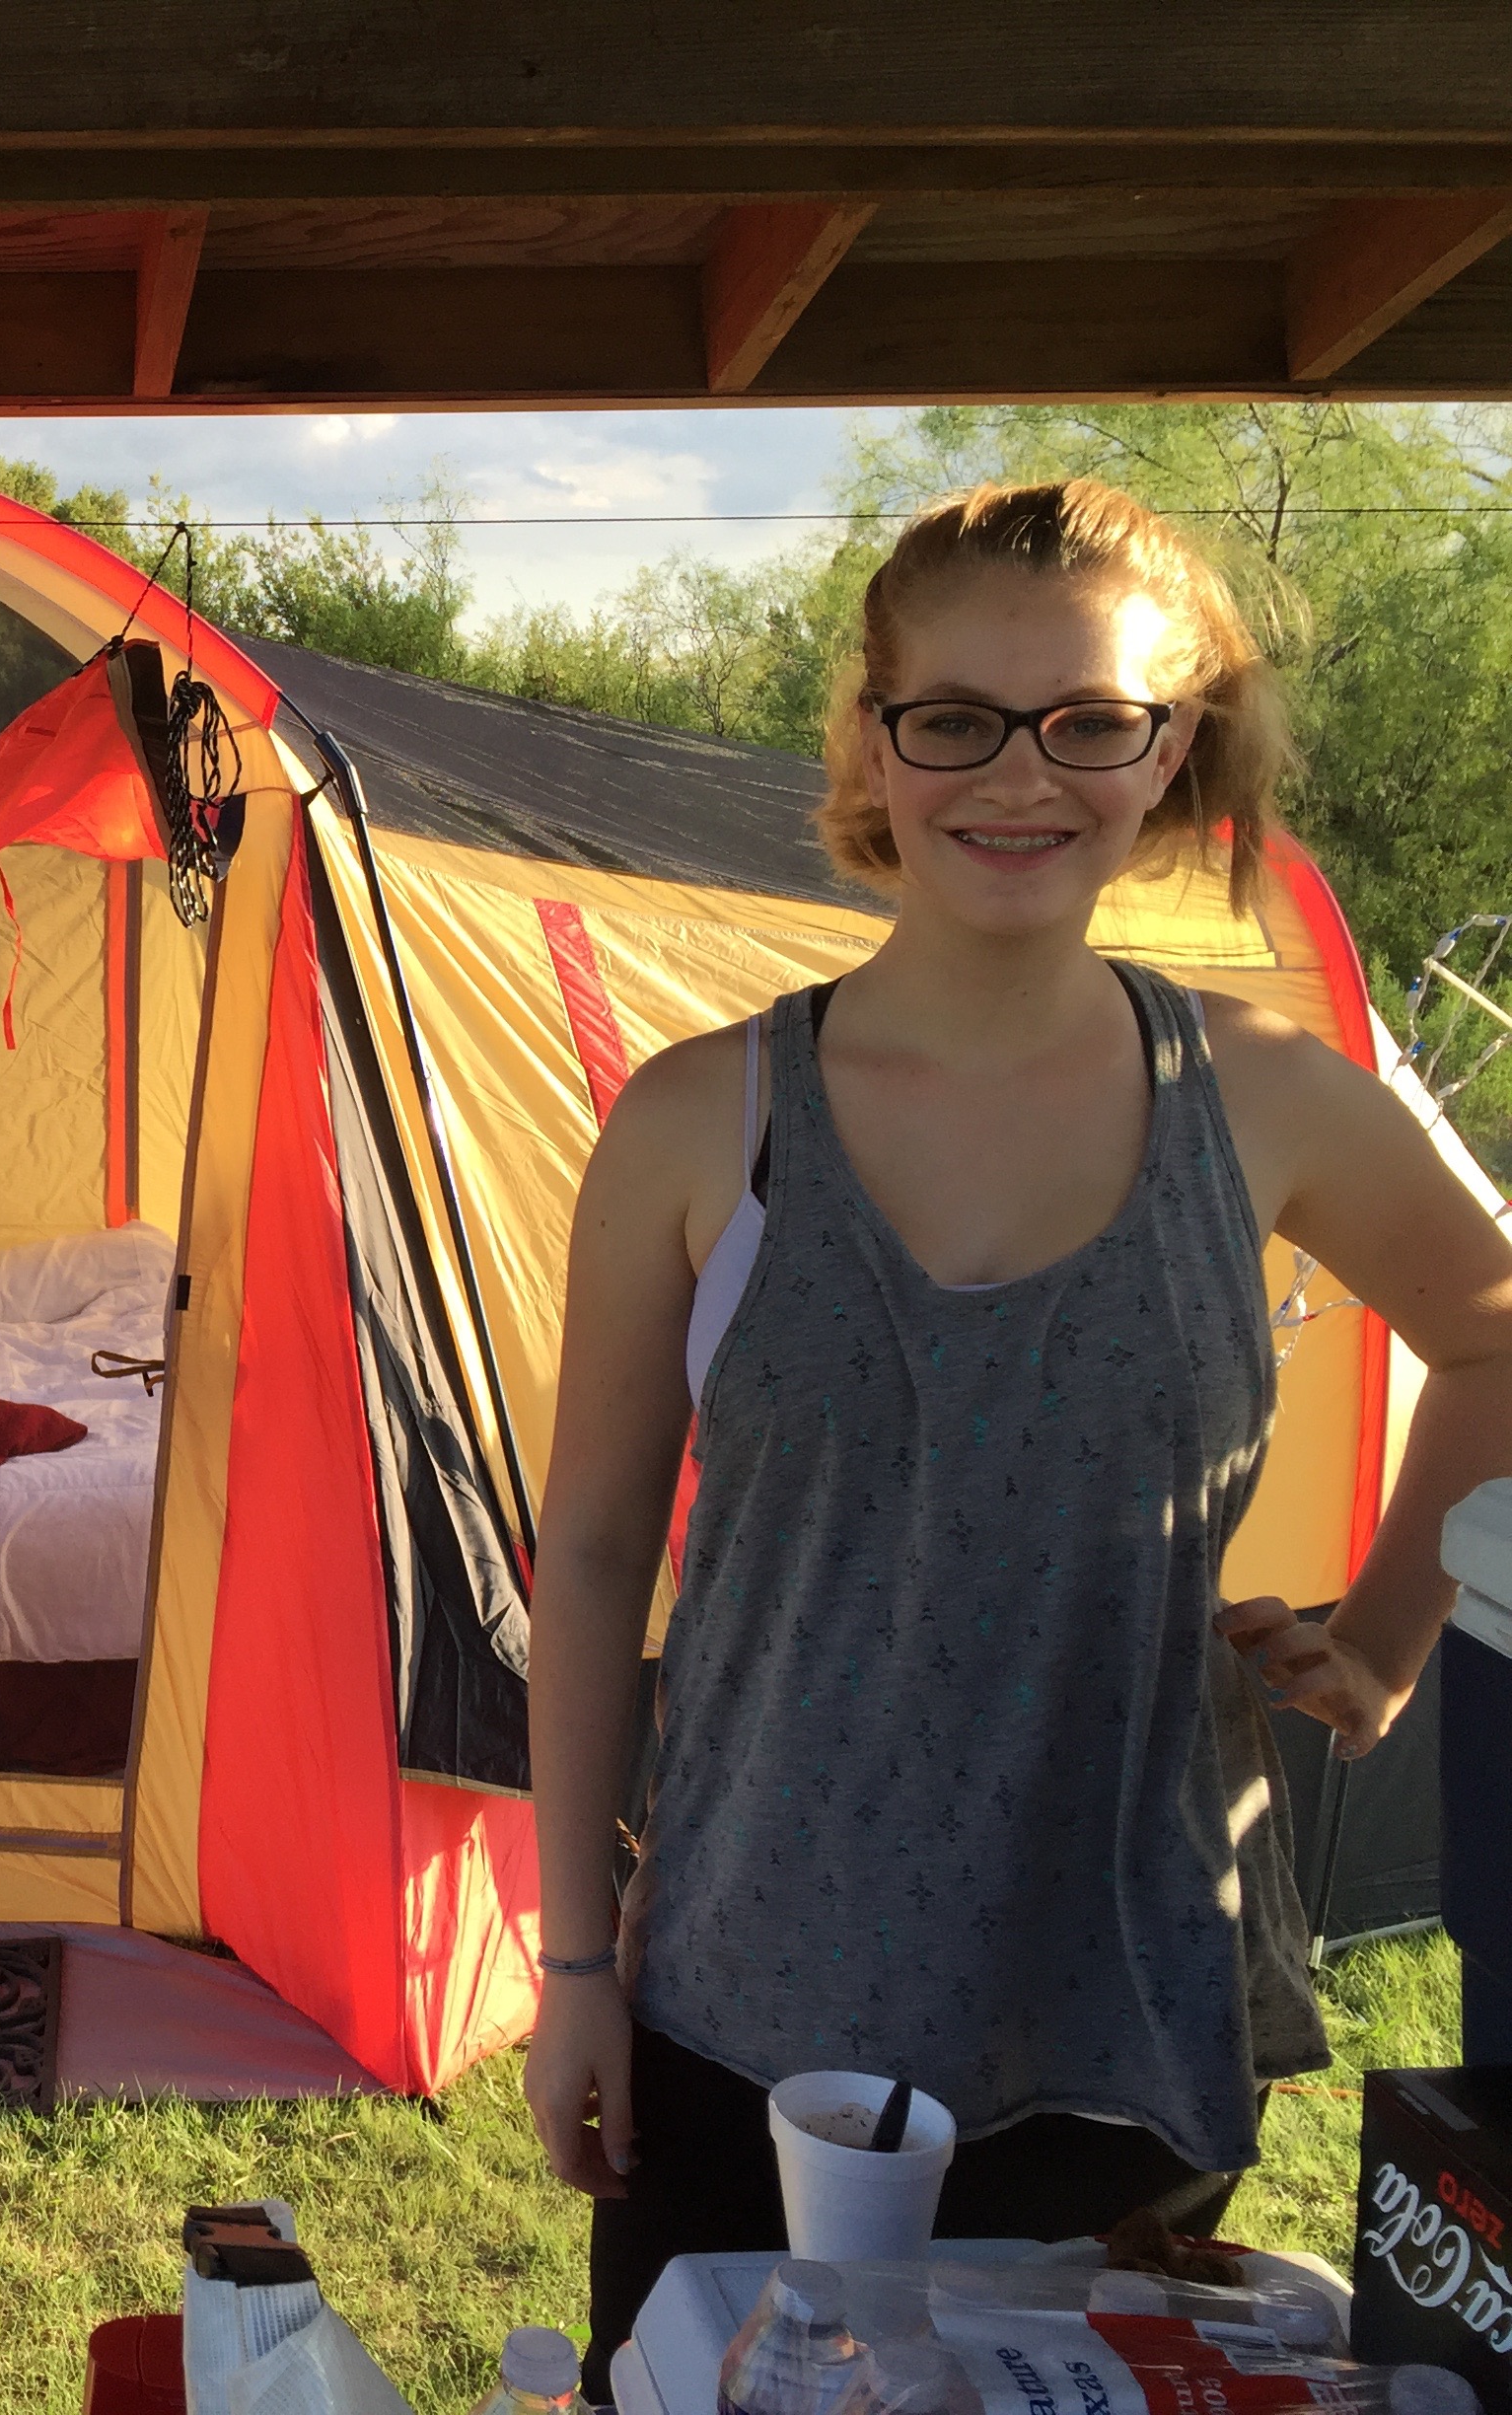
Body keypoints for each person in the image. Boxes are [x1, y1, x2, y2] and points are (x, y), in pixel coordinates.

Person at [522, 478, 1512, 2387]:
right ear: (872, 743)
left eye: (1094, 722)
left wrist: (1387, 1646)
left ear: (1179, 748)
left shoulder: (1270, 1101)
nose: (1022, 775)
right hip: (746, 1997)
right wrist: (575, 1965)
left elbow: (1492, 1343)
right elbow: (584, 1555)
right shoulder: (696, 1122)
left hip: (1124, 1991)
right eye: (957, 717)